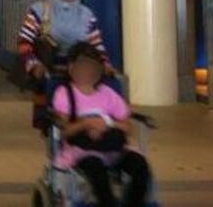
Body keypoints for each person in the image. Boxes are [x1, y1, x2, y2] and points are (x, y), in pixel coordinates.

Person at [52, 42, 151, 207]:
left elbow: (127, 126)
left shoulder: (107, 93)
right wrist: (86, 123)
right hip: (82, 151)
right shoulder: (64, 95)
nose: (88, 71)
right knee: (96, 169)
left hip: (113, 148)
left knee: (140, 165)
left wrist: (107, 124)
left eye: (92, 67)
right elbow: (65, 131)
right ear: (71, 68)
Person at [18, 0, 113, 131]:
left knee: (80, 110)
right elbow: (24, 43)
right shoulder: (39, 11)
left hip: (80, 71)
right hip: (49, 70)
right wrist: (34, 65)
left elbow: (96, 45)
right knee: (54, 117)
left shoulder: (86, 15)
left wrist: (105, 63)